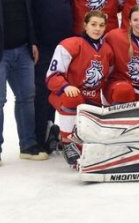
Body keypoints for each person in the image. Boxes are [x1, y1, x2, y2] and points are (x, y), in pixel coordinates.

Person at [17, 0, 73, 153]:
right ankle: (37, 140)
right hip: (41, 48)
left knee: (57, 93)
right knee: (40, 93)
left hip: (64, 48)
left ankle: (51, 132)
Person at [0, 0, 48, 162]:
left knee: (27, 97)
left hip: (23, 50)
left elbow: (29, 15)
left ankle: (28, 145)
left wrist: (33, 42)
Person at [47, 10, 114, 164]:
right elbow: (51, 77)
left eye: (101, 25)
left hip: (91, 99)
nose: (97, 29)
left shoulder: (107, 50)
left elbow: (107, 78)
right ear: (85, 25)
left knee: (94, 142)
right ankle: (66, 142)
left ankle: (57, 134)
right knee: (74, 98)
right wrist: (65, 86)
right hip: (65, 96)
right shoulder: (70, 44)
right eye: (93, 24)